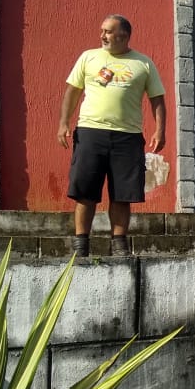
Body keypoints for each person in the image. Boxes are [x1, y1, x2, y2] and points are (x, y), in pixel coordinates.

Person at [57, 14, 166, 257]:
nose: (102, 35)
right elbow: (72, 92)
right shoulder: (89, 57)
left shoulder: (143, 63)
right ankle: (81, 245)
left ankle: (119, 245)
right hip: (90, 132)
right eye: (102, 30)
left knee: (122, 195)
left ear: (124, 36)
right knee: (85, 192)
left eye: (107, 31)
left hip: (128, 136)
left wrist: (160, 130)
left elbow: (157, 99)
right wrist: (64, 123)